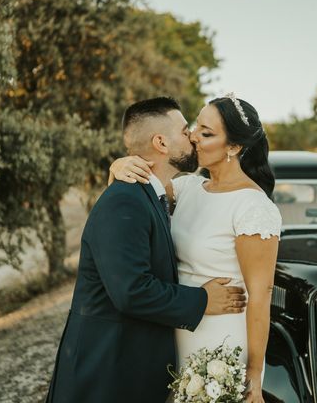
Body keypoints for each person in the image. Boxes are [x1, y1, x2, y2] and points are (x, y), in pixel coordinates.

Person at [46, 97, 248, 403]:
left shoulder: (154, 196)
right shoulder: (124, 201)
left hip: (128, 372)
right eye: (185, 131)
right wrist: (203, 299)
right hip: (104, 378)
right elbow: (132, 291)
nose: (192, 137)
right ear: (161, 142)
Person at [110, 93, 282, 403]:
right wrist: (120, 164)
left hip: (221, 342)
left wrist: (254, 375)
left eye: (207, 133)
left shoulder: (253, 207)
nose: (192, 137)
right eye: (195, 127)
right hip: (175, 331)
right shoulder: (186, 188)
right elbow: (137, 199)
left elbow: (261, 295)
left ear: (234, 147)